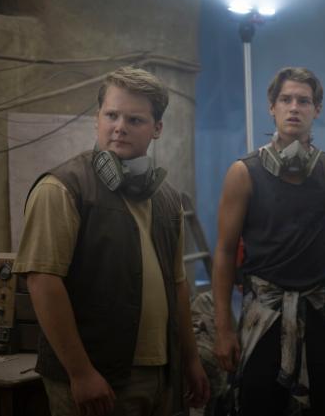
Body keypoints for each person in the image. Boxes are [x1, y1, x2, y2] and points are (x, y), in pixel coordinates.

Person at [13, 66, 209, 416]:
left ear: (157, 128)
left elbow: (178, 285)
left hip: (161, 375)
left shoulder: (168, 199)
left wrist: (190, 360)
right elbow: (42, 281)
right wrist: (80, 372)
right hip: (96, 378)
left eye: (134, 120)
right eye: (111, 115)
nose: (120, 127)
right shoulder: (62, 188)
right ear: (97, 119)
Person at [212, 67, 325, 416]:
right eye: (286, 99)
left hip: (320, 312)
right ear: (272, 107)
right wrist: (223, 327)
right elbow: (224, 251)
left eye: (303, 100)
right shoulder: (244, 172)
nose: (294, 107)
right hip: (263, 316)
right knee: (258, 405)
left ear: (317, 109)